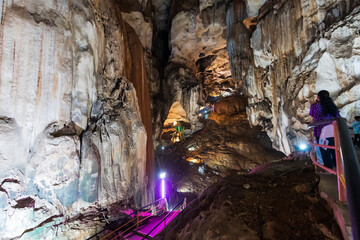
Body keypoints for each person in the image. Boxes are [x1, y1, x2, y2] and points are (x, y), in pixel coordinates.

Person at [309, 90, 340, 169]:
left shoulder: (315, 105)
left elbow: (313, 116)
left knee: (324, 150)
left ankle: (328, 168)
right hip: (332, 131)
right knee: (334, 149)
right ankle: (337, 166)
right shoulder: (332, 105)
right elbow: (338, 116)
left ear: (318, 97)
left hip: (321, 131)